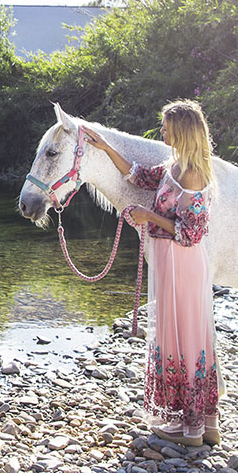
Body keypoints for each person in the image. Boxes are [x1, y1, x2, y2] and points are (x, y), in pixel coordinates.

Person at [83, 99, 222, 447]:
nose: (161, 131)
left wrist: (149, 218)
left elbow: (192, 232)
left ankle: (190, 430)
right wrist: (105, 148)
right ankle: (206, 424)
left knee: (184, 336)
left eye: (166, 126)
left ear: (182, 131)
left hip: (183, 262)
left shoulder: (193, 173)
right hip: (169, 260)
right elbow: (138, 175)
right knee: (184, 334)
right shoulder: (174, 166)